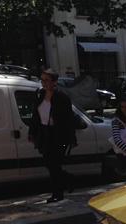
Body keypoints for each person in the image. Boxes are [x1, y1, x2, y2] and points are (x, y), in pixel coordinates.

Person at [28, 68, 76, 203]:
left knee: (54, 165)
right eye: (42, 80)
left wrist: (71, 138)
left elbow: (69, 119)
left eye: (47, 80)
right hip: (44, 134)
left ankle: (57, 193)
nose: (44, 83)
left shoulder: (62, 97)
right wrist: (32, 132)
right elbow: (35, 116)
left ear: (54, 82)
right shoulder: (40, 95)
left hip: (58, 135)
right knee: (50, 164)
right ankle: (69, 179)